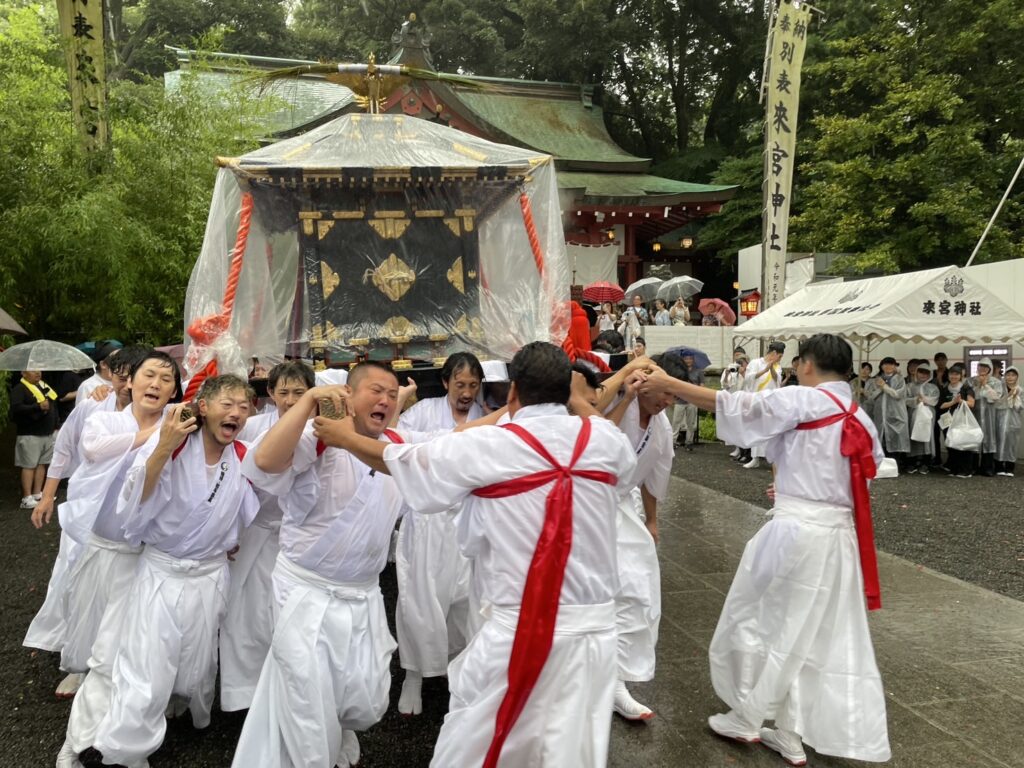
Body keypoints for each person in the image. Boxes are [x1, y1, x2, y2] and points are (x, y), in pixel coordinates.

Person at [314, 342, 637, 768]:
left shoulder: (493, 444)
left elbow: (407, 460)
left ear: (512, 390)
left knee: (477, 747)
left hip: (522, 631)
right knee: (567, 748)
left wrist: (344, 438)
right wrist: (575, 398)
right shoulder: (607, 441)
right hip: (596, 634)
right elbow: (620, 463)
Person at [637, 333, 891, 765]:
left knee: (762, 620)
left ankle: (749, 715)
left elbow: (739, 406)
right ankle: (788, 730)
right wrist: (800, 483)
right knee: (813, 634)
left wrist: (670, 384)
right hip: (838, 538)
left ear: (806, 364)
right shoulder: (859, 416)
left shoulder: (805, 399)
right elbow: (862, 472)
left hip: (797, 533)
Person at [231, 363, 410, 768]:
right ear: (348, 395)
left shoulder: (397, 446)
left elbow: (453, 450)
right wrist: (310, 398)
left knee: (364, 699)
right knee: (306, 702)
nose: (385, 400)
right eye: (376, 391)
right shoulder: (318, 438)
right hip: (306, 591)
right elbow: (264, 461)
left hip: (362, 594)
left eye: (392, 394)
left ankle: (337, 730)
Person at [82, 375, 258, 768]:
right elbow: (136, 496)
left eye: (243, 407)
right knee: (147, 662)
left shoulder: (243, 455)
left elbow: (247, 508)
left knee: (197, 661)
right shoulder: (175, 446)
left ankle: (181, 707)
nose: (236, 413)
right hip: (162, 571)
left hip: (209, 573)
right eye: (227, 404)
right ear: (204, 407)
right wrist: (164, 444)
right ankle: (123, 749)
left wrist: (227, 537)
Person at [56, 351, 182, 768]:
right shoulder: (106, 421)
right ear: (130, 381)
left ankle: (113, 743)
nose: (156, 383)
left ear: (174, 390)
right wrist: (161, 435)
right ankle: (80, 738)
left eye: (167, 378)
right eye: (149, 374)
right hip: (99, 550)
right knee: (93, 648)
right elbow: (93, 449)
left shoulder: (181, 432)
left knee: (122, 654)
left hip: (144, 560)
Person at [24, 346, 148, 700]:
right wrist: (47, 496)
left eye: (134, 377)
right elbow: (64, 448)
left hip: (127, 523)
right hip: (86, 514)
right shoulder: (93, 405)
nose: (126, 384)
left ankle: (118, 662)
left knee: (126, 595)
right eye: (121, 376)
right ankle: (77, 662)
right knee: (75, 585)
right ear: (109, 374)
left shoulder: (157, 416)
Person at [219, 361, 315, 713]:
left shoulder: (322, 428)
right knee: (247, 614)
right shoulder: (253, 427)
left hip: (300, 536)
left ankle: (294, 691)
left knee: (293, 617)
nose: (290, 400)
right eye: (283, 392)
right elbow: (230, 479)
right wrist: (227, 531)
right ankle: (245, 691)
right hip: (256, 529)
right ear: (271, 393)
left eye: (299, 393)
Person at [393, 353, 485, 715]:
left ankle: (457, 670)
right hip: (427, 520)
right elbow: (397, 440)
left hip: (466, 518)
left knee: (465, 601)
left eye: (473, 385)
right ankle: (413, 674)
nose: (466, 392)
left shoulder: (484, 415)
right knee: (420, 599)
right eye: (460, 384)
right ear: (446, 382)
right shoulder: (423, 411)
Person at [596, 355, 674, 721]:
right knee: (593, 594)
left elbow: (655, 475)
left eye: (672, 395)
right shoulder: (615, 403)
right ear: (643, 386)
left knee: (637, 589)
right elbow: (591, 427)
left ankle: (617, 680)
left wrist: (653, 521)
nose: (667, 402)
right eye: (663, 393)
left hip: (623, 509)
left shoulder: (663, 427)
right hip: (589, 504)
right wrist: (625, 382)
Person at [10, 370, 59, 509]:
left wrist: (55, 424)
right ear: (23, 373)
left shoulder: (43, 386)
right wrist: (37, 406)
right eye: (33, 370)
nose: (38, 373)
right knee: (29, 465)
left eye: (39, 370)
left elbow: (52, 405)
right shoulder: (19, 389)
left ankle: (37, 493)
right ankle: (26, 498)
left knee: (42, 463)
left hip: (46, 432)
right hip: (30, 433)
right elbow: (16, 409)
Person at [739, 341, 786, 469]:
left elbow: (778, 381)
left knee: (771, 430)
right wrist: (764, 370)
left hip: (771, 401)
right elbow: (748, 379)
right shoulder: (755, 363)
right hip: (756, 399)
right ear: (774, 353)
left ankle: (772, 459)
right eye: (780, 356)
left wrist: (771, 369)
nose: (780, 359)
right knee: (756, 429)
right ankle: (755, 458)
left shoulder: (777, 366)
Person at [867, 357, 910, 472]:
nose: (888, 367)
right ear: (881, 366)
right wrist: (881, 388)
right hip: (880, 415)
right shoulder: (876, 380)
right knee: (883, 439)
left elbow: (898, 395)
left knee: (896, 440)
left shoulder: (900, 379)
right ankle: (882, 467)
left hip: (896, 414)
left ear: (895, 366)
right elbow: (870, 396)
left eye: (891, 364)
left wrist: (884, 387)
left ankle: (897, 466)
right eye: (885, 364)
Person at [938, 364, 976, 478]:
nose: (953, 376)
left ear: (961, 376)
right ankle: (953, 468)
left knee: (963, 443)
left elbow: (971, 403)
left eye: (956, 374)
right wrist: (953, 402)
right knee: (951, 443)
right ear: (948, 375)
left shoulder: (966, 388)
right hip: (948, 420)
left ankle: (966, 470)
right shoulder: (945, 388)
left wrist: (960, 401)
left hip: (962, 420)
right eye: (951, 374)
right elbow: (941, 405)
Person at [968, 357, 1003, 477]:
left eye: (985, 367)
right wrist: (978, 385)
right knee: (974, 439)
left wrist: (985, 385)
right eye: (980, 366)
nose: (982, 369)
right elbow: (970, 395)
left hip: (989, 416)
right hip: (975, 415)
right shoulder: (971, 381)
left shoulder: (996, 382)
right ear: (977, 367)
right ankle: (973, 467)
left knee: (989, 440)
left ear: (990, 369)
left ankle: (987, 468)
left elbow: (996, 397)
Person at [906, 361, 940, 474]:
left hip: (928, 415)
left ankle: (925, 463)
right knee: (913, 435)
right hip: (913, 414)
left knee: (927, 437)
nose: (923, 375)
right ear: (916, 373)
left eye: (926, 373)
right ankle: (912, 462)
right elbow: (905, 399)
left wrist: (925, 400)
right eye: (921, 372)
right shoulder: (909, 386)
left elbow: (935, 399)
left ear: (930, 375)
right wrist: (915, 400)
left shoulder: (933, 387)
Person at [994, 366, 1022, 476]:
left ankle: (1010, 468)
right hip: (1000, 419)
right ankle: (999, 466)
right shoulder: (1000, 388)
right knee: (999, 441)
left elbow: (1020, 407)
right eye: (1008, 375)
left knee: (1012, 443)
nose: (1010, 377)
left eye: (1013, 375)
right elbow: (996, 404)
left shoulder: (1020, 390)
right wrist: (1008, 396)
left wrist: (1015, 398)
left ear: (1017, 377)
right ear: (1005, 376)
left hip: (1014, 421)